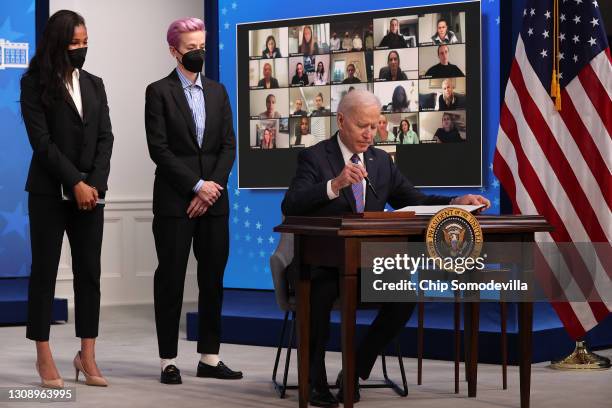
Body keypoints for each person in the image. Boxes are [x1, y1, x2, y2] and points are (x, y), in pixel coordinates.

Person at [281, 89, 489, 407]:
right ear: (340, 120)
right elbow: (291, 204)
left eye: (375, 124)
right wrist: (334, 185)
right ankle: (315, 381)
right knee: (319, 294)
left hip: (363, 265)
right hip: (318, 265)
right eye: (362, 125)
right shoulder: (315, 157)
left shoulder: (381, 162)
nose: (370, 133)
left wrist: (455, 201)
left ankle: (355, 368)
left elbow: (415, 201)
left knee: (404, 294)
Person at [144, 17, 242, 385]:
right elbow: (160, 150)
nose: (199, 53)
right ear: (174, 51)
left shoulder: (218, 92)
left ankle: (210, 358)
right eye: (191, 48)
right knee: (170, 279)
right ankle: (168, 359)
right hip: (174, 202)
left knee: (213, 279)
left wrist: (211, 186)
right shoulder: (158, 92)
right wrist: (196, 185)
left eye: (202, 46)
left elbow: (228, 145)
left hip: (213, 202)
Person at [20, 10, 113, 390]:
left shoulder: (95, 83)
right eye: (75, 43)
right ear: (58, 43)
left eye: (85, 42)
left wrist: (94, 184)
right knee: (44, 273)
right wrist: (73, 181)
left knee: (89, 275)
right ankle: (43, 354)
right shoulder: (33, 83)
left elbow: (106, 137)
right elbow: (41, 142)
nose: (82, 49)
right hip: (48, 193)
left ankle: (86, 354)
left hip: (91, 195)